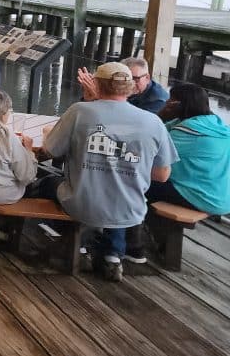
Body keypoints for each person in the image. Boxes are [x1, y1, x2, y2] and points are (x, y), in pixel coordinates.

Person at [34, 62, 176, 282]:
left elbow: (51, 150)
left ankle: (69, 239)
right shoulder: (153, 122)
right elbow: (162, 174)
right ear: (130, 87)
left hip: (82, 203)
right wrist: (125, 166)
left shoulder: (80, 112)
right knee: (116, 187)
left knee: (46, 183)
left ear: (97, 85)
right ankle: (112, 256)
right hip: (131, 209)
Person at [150, 84, 230, 215]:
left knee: (133, 179)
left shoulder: (190, 132)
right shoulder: (212, 123)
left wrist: (162, 114)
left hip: (202, 198)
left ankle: (136, 230)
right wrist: (163, 116)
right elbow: (156, 132)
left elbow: (150, 149)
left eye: (171, 99)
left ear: (181, 104)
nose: (167, 102)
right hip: (221, 196)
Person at [77, 56, 168, 114]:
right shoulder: (121, 89)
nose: (129, 83)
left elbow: (127, 123)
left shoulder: (158, 99)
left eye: (135, 79)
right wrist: (89, 98)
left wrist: (99, 98)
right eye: (124, 79)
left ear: (147, 78)